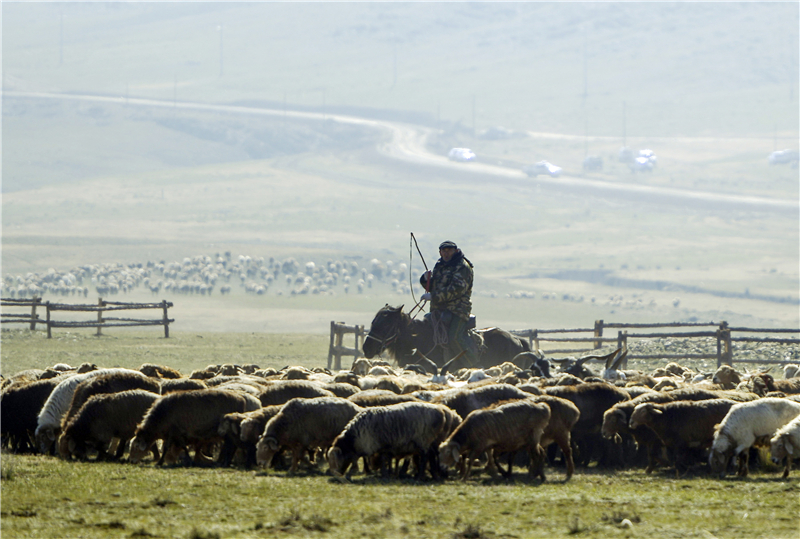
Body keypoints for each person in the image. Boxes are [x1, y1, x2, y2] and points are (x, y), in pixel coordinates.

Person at [420, 240, 479, 365]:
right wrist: (425, 280)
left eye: (449, 251)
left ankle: (473, 365)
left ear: (455, 251)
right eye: (444, 251)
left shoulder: (462, 266)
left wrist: (434, 297)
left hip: (458, 309)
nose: (446, 254)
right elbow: (434, 287)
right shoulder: (440, 265)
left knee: (454, 338)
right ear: (440, 252)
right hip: (439, 309)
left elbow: (457, 289)